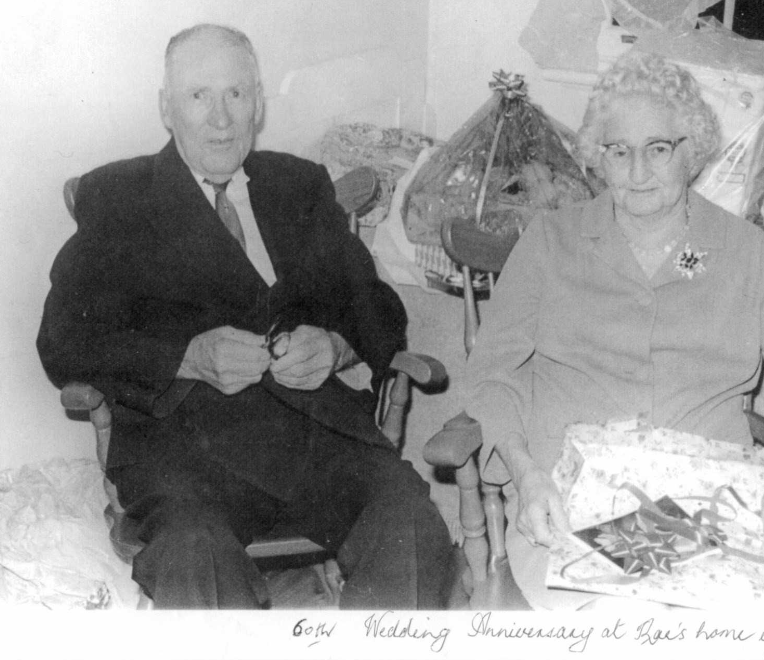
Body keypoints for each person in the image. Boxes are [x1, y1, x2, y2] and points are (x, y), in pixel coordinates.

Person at [37, 23, 453, 609]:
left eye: (236, 94)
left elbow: (376, 305)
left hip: (317, 435)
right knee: (192, 553)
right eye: (198, 96)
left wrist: (335, 347)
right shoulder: (119, 196)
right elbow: (63, 339)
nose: (221, 119)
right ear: (166, 108)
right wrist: (186, 358)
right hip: (185, 448)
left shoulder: (298, 185)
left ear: (258, 104)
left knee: (410, 522)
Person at [463, 51, 764, 609]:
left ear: (692, 152)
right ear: (597, 157)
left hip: (707, 501)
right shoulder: (550, 242)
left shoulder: (746, 252)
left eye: (658, 148)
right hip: (571, 500)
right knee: (618, 621)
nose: (638, 172)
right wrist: (525, 474)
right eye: (619, 151)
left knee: (758, 623)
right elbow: (492, 371)